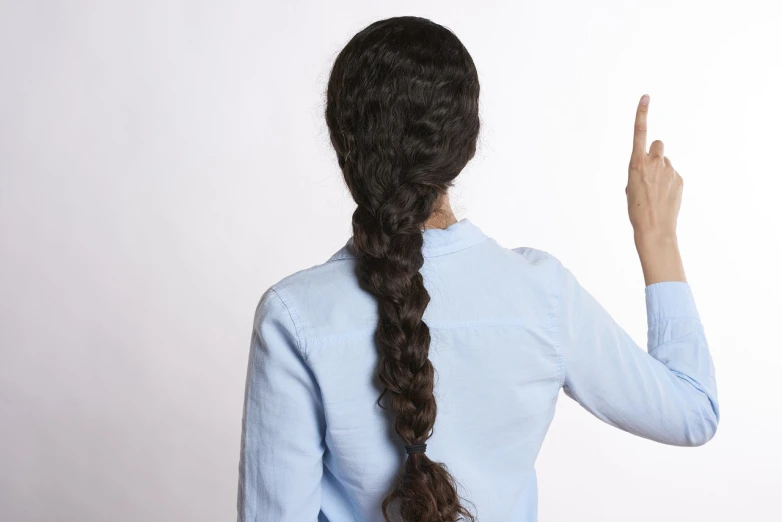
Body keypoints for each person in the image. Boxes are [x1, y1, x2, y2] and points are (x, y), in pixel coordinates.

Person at [237, 15, 719, 522]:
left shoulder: (294, 316)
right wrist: (656, 234)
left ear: (343, 146)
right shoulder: (541, 296)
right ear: (465, 146)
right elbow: (693, 411)